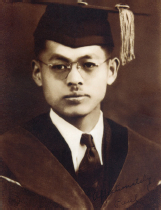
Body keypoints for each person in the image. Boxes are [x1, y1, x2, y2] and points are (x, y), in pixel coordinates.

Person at [1, 2, 161, 209]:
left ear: (111, 70)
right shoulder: (7, 157)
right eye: (59, 66)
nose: (74, 79)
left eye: (89, 65)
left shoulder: (150, 159)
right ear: (38, 73)